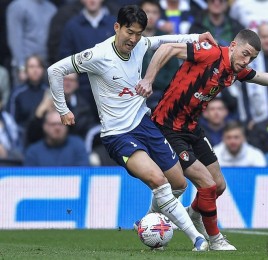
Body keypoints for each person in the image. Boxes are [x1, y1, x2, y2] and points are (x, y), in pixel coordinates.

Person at [137, 29, 268, 250]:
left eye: (252, 58)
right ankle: (215, 240)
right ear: (233, 46)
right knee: (205, 185)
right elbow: (167, 48)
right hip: (167, 127)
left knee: (218, 186)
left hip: (192, 128)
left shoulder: (234, 71)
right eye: (245, 54)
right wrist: (148, 80)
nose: (247, 61)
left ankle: (193, 214)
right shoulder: (210, 53)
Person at [47, 5, 218, 251]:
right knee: (158, 181)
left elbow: (163, 40)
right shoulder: (98, 56)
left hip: (144, 125)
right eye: (130, 32)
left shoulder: (140, 45)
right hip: (117, 135)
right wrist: (63, 110)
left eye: (139, 33)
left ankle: (147, 222)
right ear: (117, 27)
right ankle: (197, 239)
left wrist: (196, 38)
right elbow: (55, 70)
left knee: (179, 184)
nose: (134, 39)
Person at [24, 110, 90, 166]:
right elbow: (29, 178)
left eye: (61, 124)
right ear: (44, 127)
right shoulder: (33, 152)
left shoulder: (78, 146)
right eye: (53, 124)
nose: (57, 128)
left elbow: (84, 173)